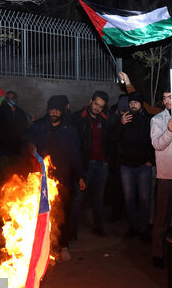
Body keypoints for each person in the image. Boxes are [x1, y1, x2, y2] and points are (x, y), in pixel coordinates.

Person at [29, 95, 85, 261]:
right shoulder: (38, 126)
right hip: (41, 179)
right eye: (51, 109)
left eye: (57, 110)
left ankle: (63, 245)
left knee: (63, 214)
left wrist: (80, 175)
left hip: (64, 178)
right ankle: (44, 247)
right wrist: (29, 147)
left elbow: (76, 154)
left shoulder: (70, 129)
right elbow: (26, 146)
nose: (54, 112)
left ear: (62, 111)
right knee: (43, 213)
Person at [111, 92, 155, 240]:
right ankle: (133, 226)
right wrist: (120, 124)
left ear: (141, 104)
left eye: (136, 102)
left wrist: (152, 161)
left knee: (144, 198)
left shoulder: (149, 120)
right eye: (131, 102)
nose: (133, 105)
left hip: (143, 165)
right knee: (129, 198)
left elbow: (153, 141)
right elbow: (113, 138)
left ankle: (144, 229)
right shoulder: (124, 119)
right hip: (126, 166)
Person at [69, 91, 112, 238]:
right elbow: (73, 144)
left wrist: (108, 160)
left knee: (98, 198)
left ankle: (98, 226)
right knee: (78, 198)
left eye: (101, 106)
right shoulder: (77, 118)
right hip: (84, 166)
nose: (97, 108)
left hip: (101, 165)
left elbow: (111, 141)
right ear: (90, 100)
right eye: (95, 104)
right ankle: (72, 231)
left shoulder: (105, 119)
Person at [150, 89, 172, 267]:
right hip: (166, 177)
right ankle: (157, 254)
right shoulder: (157, 120)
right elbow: (157, 145)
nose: (167, 101)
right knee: (161, 218)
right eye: (164, 97)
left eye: (170, 97)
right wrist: (169, 130)